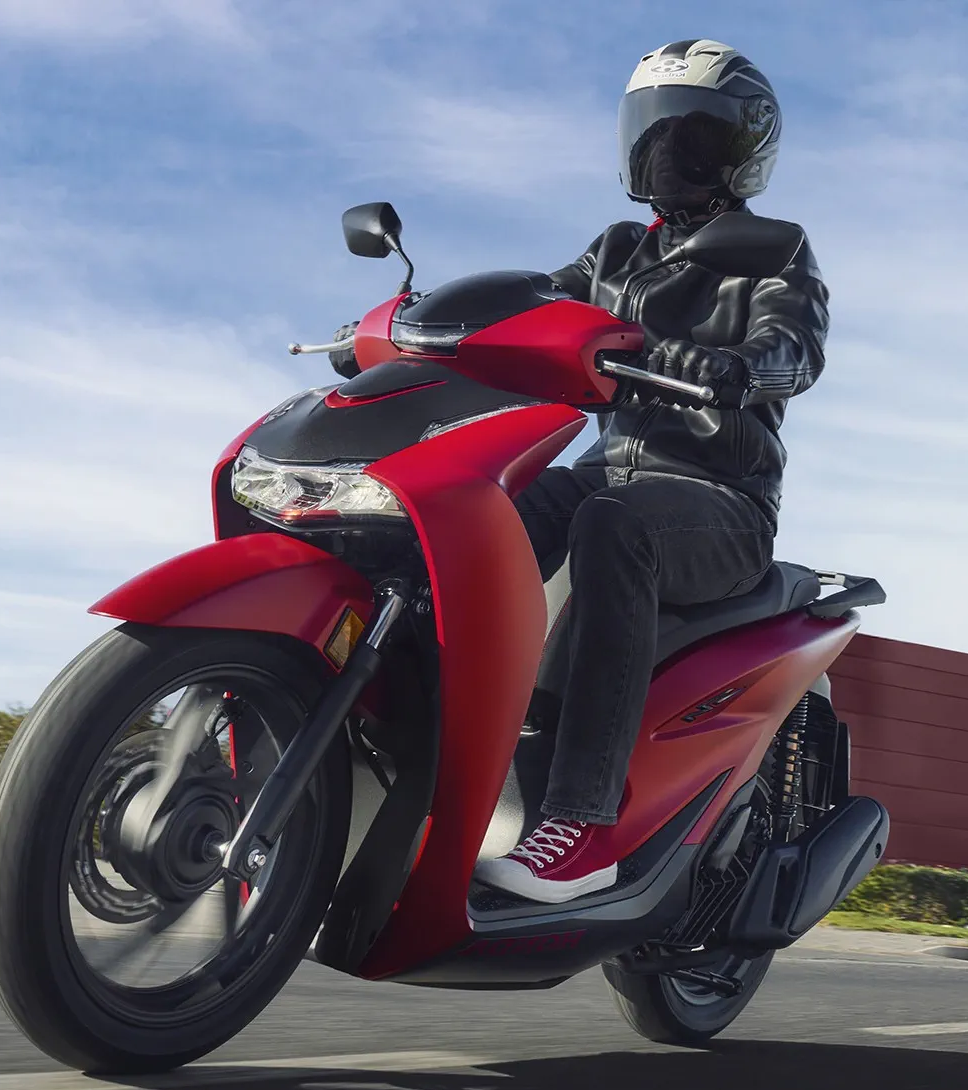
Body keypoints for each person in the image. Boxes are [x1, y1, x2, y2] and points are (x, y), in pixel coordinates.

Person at [328, 40, 829, 903]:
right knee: (467, 508)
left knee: (610, 524)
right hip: (611, 474)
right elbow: (528, 304)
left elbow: (797, 344)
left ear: (739, 152)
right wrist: (401, 326)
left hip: (718, 499)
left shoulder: (773, 251)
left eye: (690, 136)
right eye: (654, 131)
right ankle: (408, 736)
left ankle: (582, 825)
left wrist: (742, 366)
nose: (665, 151)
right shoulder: (617, 251)